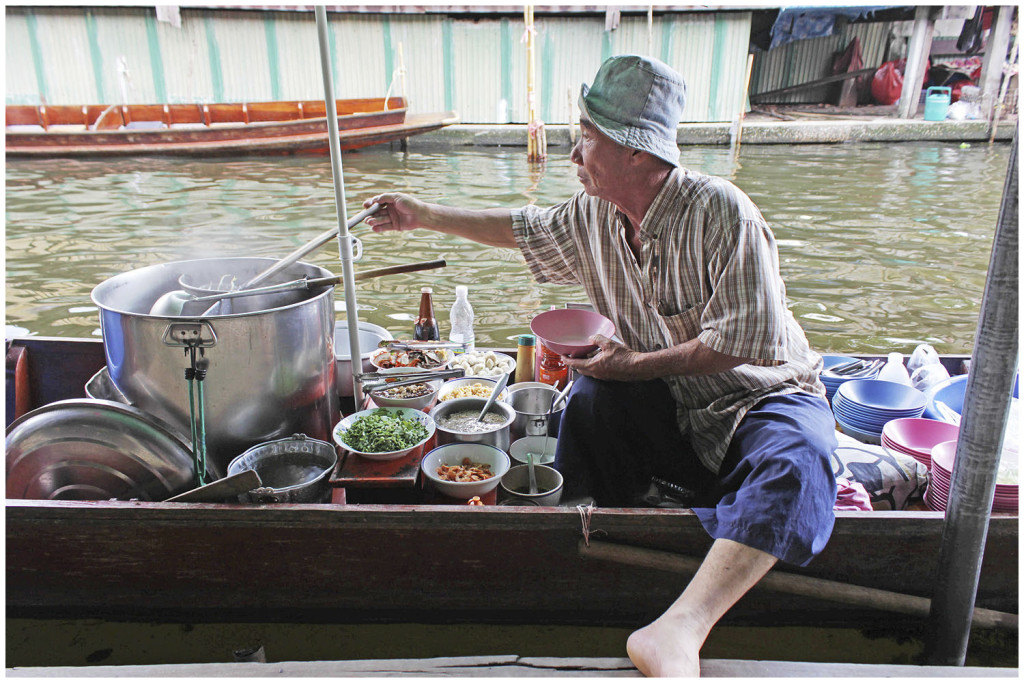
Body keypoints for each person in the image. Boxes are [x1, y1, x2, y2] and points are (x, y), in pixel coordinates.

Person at [363, 54, 837, 678]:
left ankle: (678, 628)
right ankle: (582, 549)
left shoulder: (723, 212)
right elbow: (521, 228)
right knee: (587, 401)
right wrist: (421, 213)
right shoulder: (593, 217)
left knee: (801, 462)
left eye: (585, 140)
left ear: (637, 153)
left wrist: (629, 364)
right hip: (671, 406)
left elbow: (742, 345)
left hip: (757, 398)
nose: (572, 156)